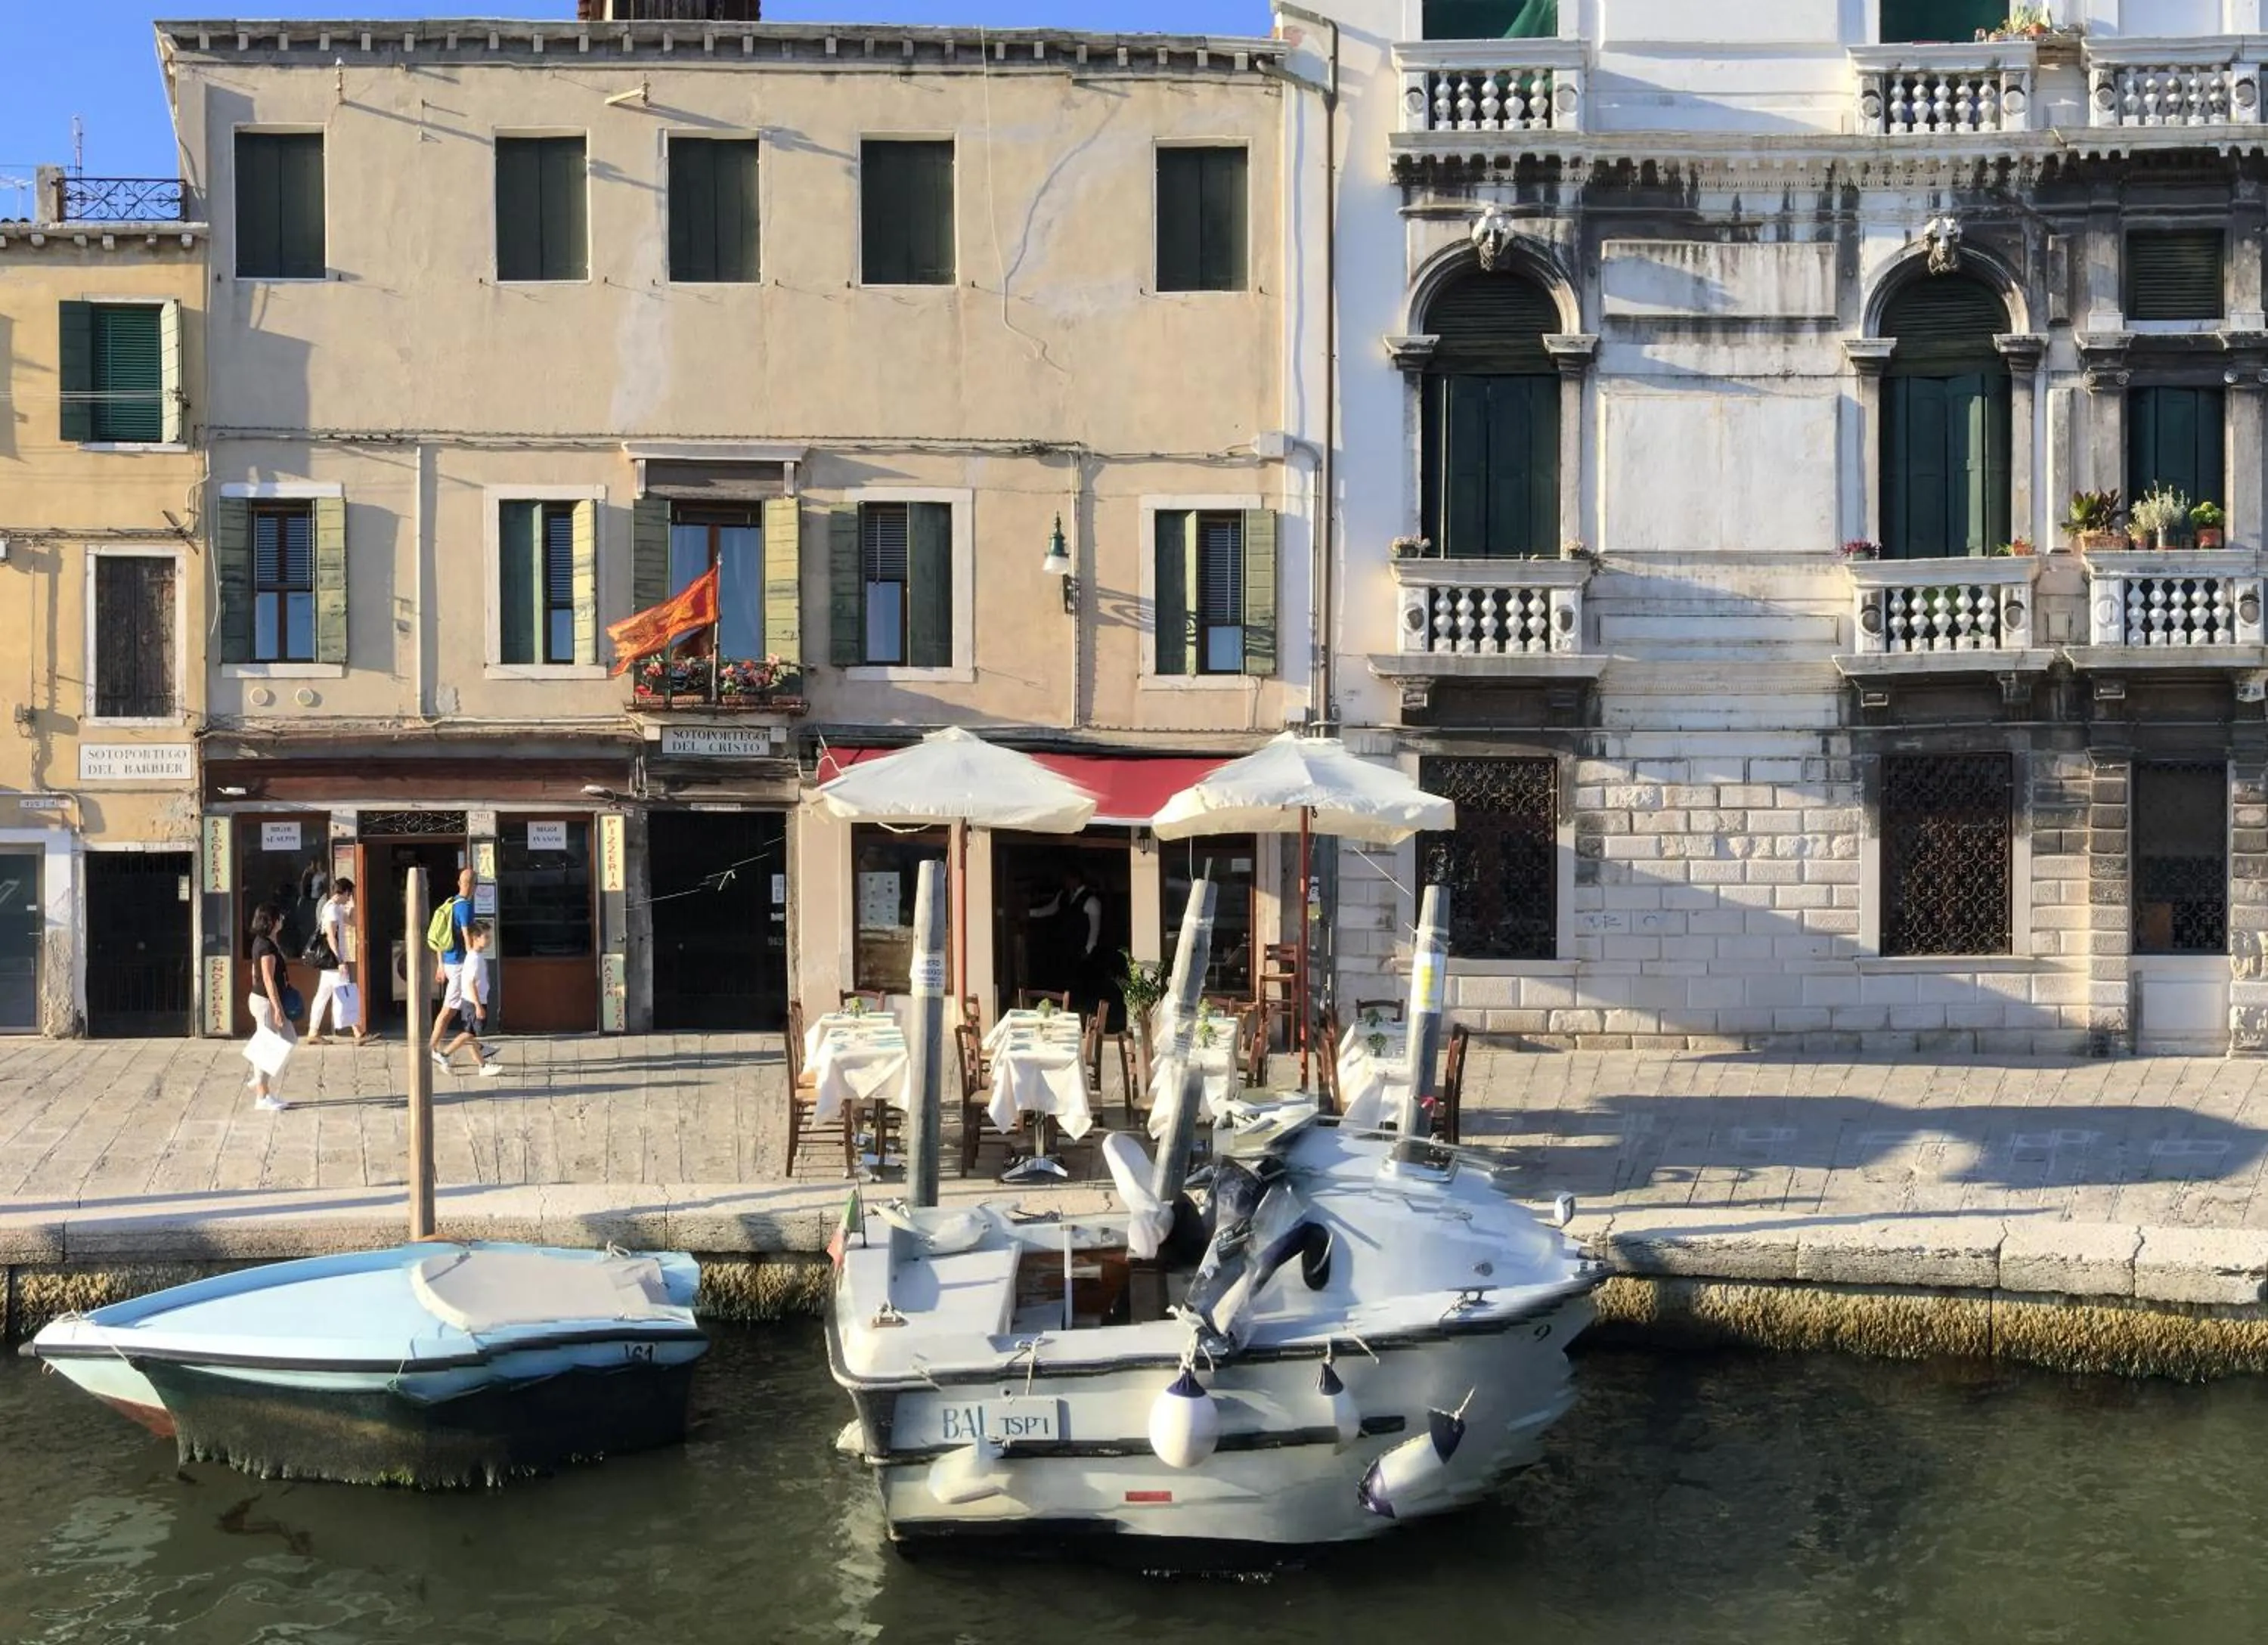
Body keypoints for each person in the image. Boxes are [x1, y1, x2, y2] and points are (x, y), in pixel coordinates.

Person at [304, 877, 372, 1046]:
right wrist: (340, 960)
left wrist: (353, 906)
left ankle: (313, 1031)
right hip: (334, 962)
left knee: (323, 996)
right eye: (350, 894)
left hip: (331, 964)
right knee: (346, 993)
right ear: (346, 892)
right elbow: (330, 937)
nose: (349, 898)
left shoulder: (334, 907)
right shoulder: (333, 910)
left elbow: (353, 922)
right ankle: (358, 1033)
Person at [244, 902, 296, 1112]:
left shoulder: (266, 941)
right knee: (267, 1045)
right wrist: (277, 1008)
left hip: (266, 999)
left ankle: (258, 1078)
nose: (282, 920)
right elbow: (267, 979)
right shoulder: (264, 946)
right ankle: (262, 1095)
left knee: (290, 1039)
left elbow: (254, 971)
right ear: (272, 922)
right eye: (279, 918)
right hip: (266, 1002)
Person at [1033, 866, 1105, 1016]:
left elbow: (1094, 928)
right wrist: (1030, 913)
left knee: (1080, 984)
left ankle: (1080, 1014)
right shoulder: (1064, 895)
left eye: (1067, 879)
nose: (1065, 882)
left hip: (1081, 949)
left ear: (1075, 879)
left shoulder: (1091, 900)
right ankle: (1064, 1010)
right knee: (1064, 982)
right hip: (1064, 947)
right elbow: (1052, 909)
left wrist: (1089, 949)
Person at [435, 919, 503, 1078]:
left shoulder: (475, 956)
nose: (489, 940)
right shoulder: (474, 959)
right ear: (476, 938)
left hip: (472, 1001)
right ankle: (445, 1054)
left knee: (471, 1035)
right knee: (468, 1034)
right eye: (486, 937)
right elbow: (471, 983)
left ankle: (482, 1065)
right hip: (473, 1002)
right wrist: (478, 1005)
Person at [427, 866, 477, 1059]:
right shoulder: (465, 906)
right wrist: (474, 958)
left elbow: (440, 938)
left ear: (459, 883)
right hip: (458, 964)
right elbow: (467, 936)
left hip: (449, 963)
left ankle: (478, 1053)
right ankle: (431, 1049)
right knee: (449, 1010)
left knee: (470, 1006)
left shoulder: (450, 903)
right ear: (474, 886)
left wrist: (440, 964)